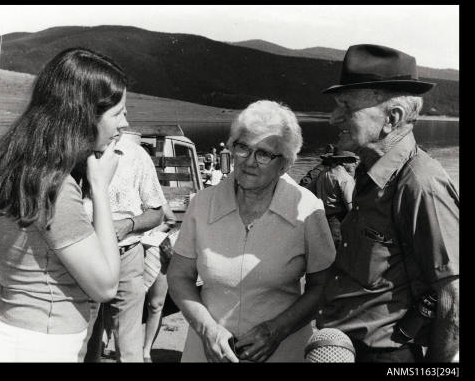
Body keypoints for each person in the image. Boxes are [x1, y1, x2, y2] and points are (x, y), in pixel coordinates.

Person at [316, 44, 459, 362]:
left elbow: (455, 298)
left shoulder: (421, 183)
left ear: (391, 118)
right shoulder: (371, 173)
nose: (333, 117)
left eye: (347, 107)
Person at [167, 100, 336, 362]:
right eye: (243, 148)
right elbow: (179, 276)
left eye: (264, 153)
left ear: (285, 164)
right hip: (208, 351)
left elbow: (323, 285)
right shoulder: (202, 204)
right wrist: (207, 330)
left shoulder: (307, 208)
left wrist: (276, 331)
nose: (250, 162)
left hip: (283, 351)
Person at [0, 47, 126, 362]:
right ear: (84, 114)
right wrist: (101, 187)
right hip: (44, 343)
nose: (123, 124)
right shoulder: (55, 187)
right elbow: (105, 286)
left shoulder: (9, 166)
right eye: (118, 113)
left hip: (6, 326)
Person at [81, 131, 166, 362]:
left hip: (128, 255)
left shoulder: (136, 155)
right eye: (117, 114)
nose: (123, 124)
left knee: (129, 348)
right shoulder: (73, 151)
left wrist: (128, 224)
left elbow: (157, 212)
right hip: (84, 258)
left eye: (125, 113)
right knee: (85, 341)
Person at [142, 203, 178, 362]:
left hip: (156, 249)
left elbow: (171, 220)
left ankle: (146, 351)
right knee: (125, 302)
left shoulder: (156, 197)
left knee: (155, 304)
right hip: (129, 251)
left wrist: (152, 232)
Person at [315, 149, 359, 248]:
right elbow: (350, 206)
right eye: (352, 160)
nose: (354, 164)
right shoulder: (345, 178)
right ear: (343, 161)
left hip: (323, 219)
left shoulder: (323, 173)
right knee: (338, 252)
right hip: (338, 221)